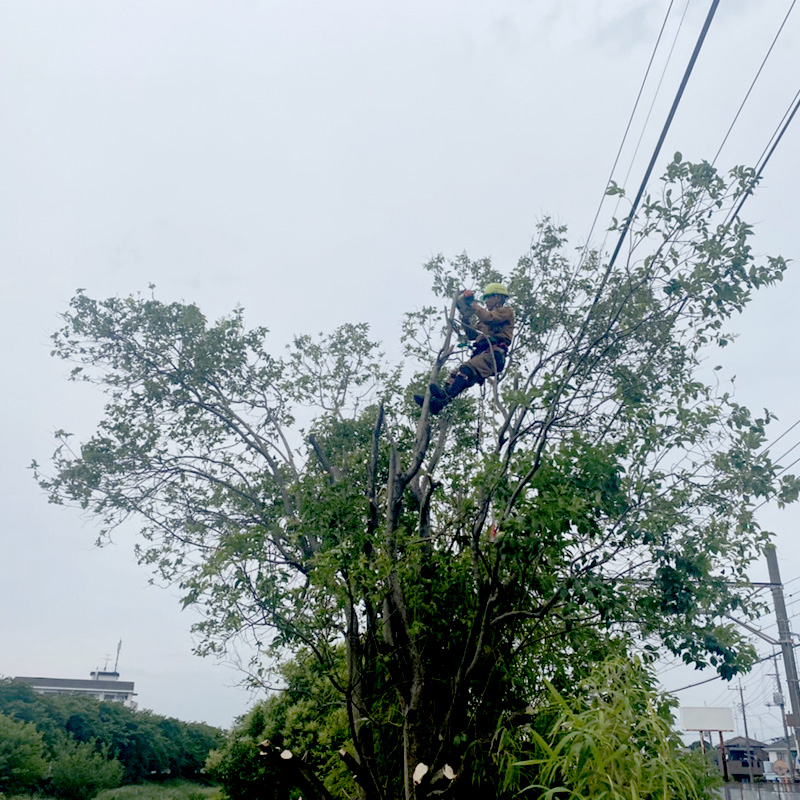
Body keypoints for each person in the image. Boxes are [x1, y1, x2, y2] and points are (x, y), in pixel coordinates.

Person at [415, 282, 514, 415]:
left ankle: (442, 399)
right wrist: (466, 316)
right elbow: (471, 335)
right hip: (482, 353)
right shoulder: (483, 321)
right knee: (457, 373)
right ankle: (438, 400)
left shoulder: (505, 312)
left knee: (467, 369)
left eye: (488, 298)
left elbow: (488, 318)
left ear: (498, 297)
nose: (486, 301)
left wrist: (473, 305)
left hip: (494, 354)